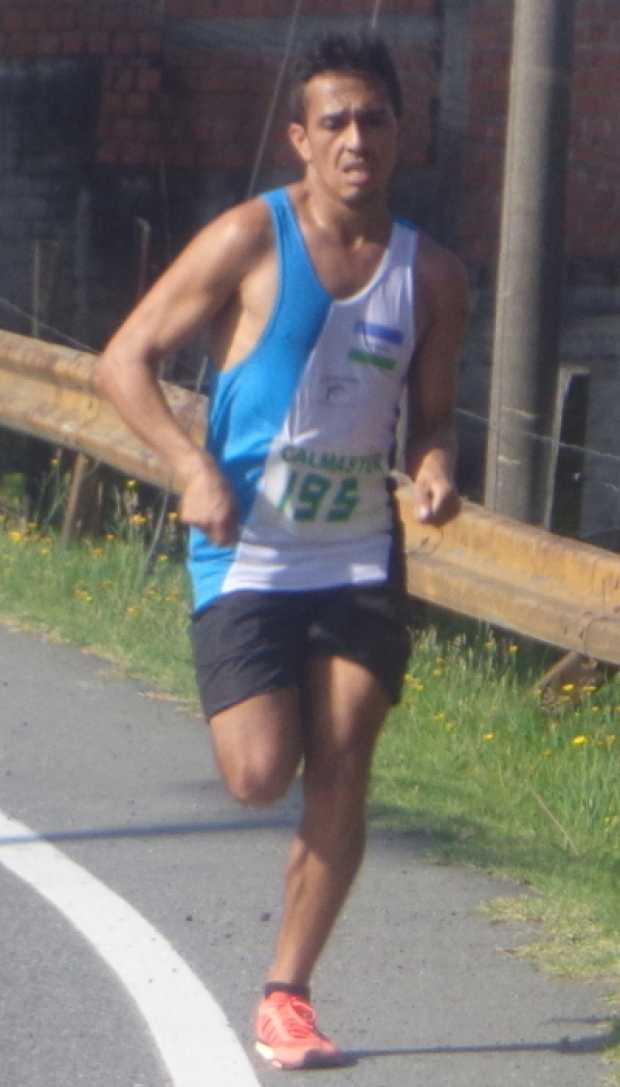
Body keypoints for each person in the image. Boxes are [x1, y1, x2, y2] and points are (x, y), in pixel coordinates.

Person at [96, 31, 468, 1071]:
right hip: (246, 550)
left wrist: (435, 471)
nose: (356, 139)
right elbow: (122, 359)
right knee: (261, 774)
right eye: (334, 122)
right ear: (299, 138)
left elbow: (435, 418)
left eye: (374, 120)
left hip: (355, 552)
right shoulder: (249, 238)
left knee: (343, 758)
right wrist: (190, 465)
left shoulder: (432, 275)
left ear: (400, 134)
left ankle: (286, 995)